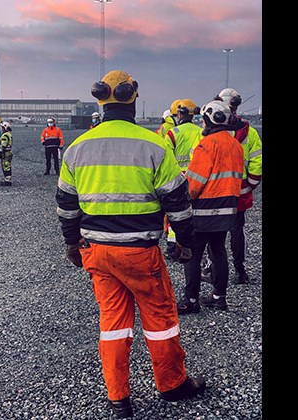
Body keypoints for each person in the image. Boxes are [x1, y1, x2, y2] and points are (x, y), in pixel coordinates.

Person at [55, 69, 206, 418]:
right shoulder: (152, 144)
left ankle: (118, 397)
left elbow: (66, 205)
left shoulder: (77, 147)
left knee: (112, 323)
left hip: (97, 252)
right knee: (160, 319)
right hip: (140, 253)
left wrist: (71, 245)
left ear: (99, 100)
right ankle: (171, 385)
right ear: (133, 98)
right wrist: (185, 242)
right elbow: (177, 203)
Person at [176, 100, 244, 315]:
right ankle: (218, 298)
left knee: (193, 255)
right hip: (228, 208)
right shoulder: (235, 145)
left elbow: (195, 182)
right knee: (218, 251)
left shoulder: (207, 144)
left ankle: (192, 300)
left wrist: (182, 201)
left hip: (204, 209)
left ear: (211, 120)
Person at [202, 88, 263, 284]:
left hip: (215, 191)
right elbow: (257, 162)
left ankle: (211, 268)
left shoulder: (211, 133)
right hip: (240, 190)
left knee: (213, 233)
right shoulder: (250, 132)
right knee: (238, 230)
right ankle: (240, 269)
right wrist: (250, 185)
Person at [163, 99, 202, 260]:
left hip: (176, 180)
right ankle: (192, 244)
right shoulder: (200, 132)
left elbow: (166, 158)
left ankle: (173, 248)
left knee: (174, 216)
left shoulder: (173, 133)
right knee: (192, 214)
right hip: (197, 178)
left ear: (179, 114)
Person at [0, 121, 13, 186]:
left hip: (5, 153)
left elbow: (3, 146)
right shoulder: (9, 134)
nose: (0, 128)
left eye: (1, 127)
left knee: (6, 167)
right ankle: (7, 180)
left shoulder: (5, 135)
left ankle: (7, 181)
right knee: (7, 166)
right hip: (8, 153)